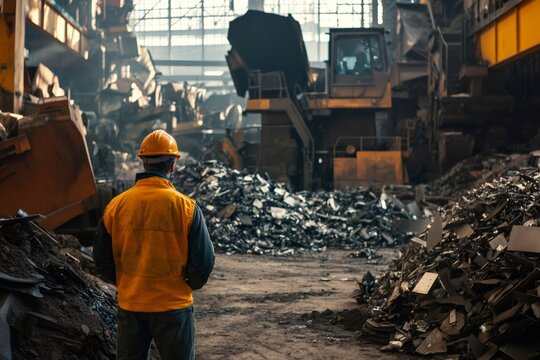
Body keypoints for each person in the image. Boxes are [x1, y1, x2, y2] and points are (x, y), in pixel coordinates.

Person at [93, 129, 215, 360]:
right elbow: (204, 261)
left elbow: (101, 259)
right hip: (173, 307)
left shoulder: (116, 207)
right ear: (172, 165)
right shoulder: (186, 208)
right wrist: (190, 283)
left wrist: (126, 282)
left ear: (144, 163)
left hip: (132, 305)